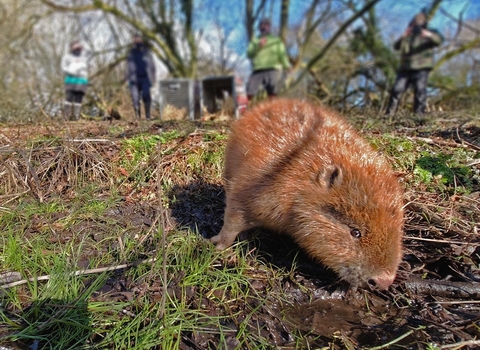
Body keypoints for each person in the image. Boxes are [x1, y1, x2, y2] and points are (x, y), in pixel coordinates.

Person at [385, 13, 443, 115]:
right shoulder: (408, 36)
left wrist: (428, 35)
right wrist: (403, 37)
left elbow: (439, 41)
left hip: (421, 67)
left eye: (419, 22)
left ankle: (419, 115)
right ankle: (389, 114)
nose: (416, 25)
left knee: (420, 90)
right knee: (396, 89)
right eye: (415, 22)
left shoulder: (429, 33)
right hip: (405, 67)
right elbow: (396, 47)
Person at [246, 18, 291, 101]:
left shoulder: (276, 40)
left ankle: (273, 112)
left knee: (273, 93)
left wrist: (286, 65)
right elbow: (249, 54)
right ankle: (243, 112)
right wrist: (258, 46)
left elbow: (282, 54)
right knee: (249, 92)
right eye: (262, 25)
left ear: (269, 27)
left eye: (266, 25)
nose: (264, 27)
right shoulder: (255, 40)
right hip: (257, 70)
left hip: (272, 69)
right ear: (259, 27)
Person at [126, 34, 156, 119]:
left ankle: (147, 116)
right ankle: (137, 117)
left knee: (146, 95)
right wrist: (126, 78)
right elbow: (127, 66)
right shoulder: (131, 53)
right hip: (133, 79)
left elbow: (152, 66)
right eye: (136, 39)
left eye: (139, 39)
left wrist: (153, 79)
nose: (137, 41)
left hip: (145, 78)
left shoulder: (146, 52)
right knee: (135, 98)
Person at [61, 40, 89, 120]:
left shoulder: (84, 57)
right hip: (70, 80)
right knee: (69, 97)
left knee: (78, 99)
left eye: (78, 45)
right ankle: (66, 117)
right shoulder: (67, 57)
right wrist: (72, 72)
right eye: (75, 45)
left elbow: (90, 52)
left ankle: (77, 117)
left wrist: (83, 46)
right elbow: (63, 67)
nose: (77, 47)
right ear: (71, 47)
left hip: (82, 81)